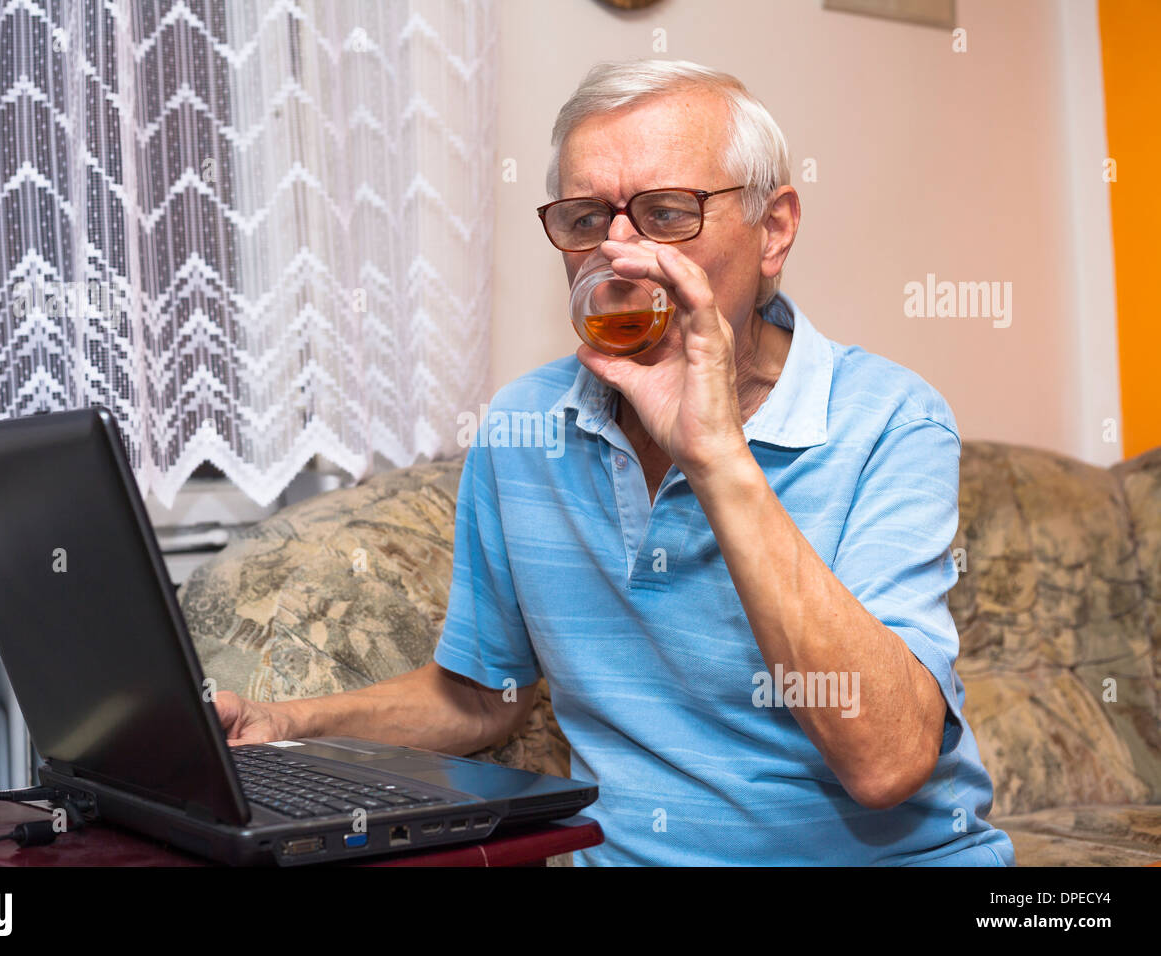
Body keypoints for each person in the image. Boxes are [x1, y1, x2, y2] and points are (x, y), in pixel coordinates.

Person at [217, 58, 1014, 866]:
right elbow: (482, 700)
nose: (621, 252)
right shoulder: (524, 427)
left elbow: (888, 761)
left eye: (667, 213)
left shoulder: (890, 419)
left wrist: (715, 458)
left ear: (773, 229)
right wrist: (290, 725)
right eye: (588, 218)